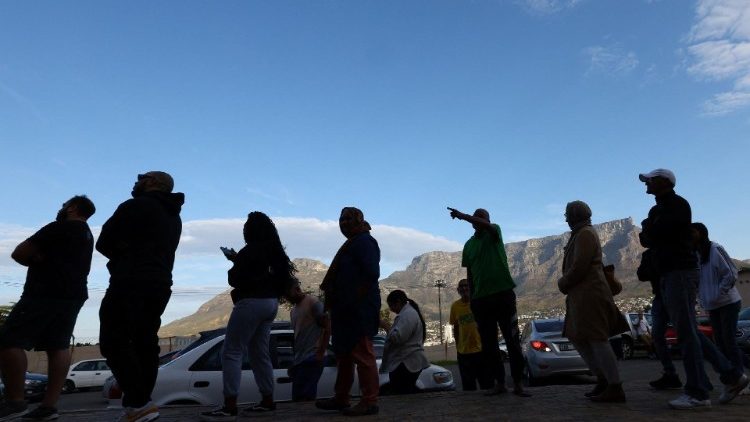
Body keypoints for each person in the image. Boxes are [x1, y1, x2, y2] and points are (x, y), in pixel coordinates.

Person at [97, 171, 184, 422]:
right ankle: (141, 407)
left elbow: (104, 242)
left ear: (153, 183)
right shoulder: (174, 216)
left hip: (130, 280)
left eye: (141, 177)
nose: (135, 181)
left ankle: (138, 402)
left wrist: (125, 254)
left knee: (114, 340)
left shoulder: (135, 206)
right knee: (145, 342)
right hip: (160, 283)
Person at [0, 196, 95, 421]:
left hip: (43, 292)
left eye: (64, 205)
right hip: (73, 295)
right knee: (57, 346)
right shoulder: (87, 234)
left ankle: (15, 402)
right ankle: (49, 407)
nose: (61, 208)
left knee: (8, 342)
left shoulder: (58, 228)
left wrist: (37, 259)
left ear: (72, 208)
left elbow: (19, 253)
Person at [200, 211, 297, 420]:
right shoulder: (275, 252)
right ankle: (267, 400)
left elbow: (235, 279)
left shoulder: (249, 250)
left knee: (232, 351)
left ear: (249, 230)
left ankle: (229, 406)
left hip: (250, 303)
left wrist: (236, 261)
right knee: (259, 352)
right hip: (270, 304)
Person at [639, 168, 715, 409]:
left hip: (679, 272)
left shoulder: (678, 205)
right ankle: (729, 376)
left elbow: (657, 233)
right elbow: (647, 238)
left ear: (665, 182)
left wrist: (650, 228)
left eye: (650, 180)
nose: (646, 184)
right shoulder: (656, 209)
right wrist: (650, 229)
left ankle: (698, 393)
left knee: (687, 333)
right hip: (668, 274)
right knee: (687, 332)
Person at [448, 207, 529, 397]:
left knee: (512, 341)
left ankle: (518, 383)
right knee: (489, 344)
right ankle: (500, 383)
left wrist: (463, 216)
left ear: (487, 220)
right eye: (477, 217)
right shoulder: (468, 246)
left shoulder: (495, 232)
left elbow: (487, 226)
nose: (479, 220)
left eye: (482, 217)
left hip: (503, 295)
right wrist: (473, 298)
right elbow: (469, 273)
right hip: (481, 301)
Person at [557, 201, 629, 403]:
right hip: (579, 296)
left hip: (590, 294)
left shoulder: (586, 234)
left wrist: (563, 282)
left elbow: (581, 266)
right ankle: (602, 378)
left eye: (567, 215)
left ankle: (614, 385)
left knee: (597, 339)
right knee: (577, 336)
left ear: (574, 215)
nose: (565, 219)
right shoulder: (580, 234)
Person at [316, 207, 381, 416]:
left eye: (347, 219)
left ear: (359, 219)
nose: (343, 223)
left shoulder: (364, 242)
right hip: (344, 309)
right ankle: (341, 398)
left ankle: (370, 401)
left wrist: (354, 300)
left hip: (358, 309)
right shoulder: (351, 244)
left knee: (362, 354)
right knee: (344, 355)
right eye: (341, 219)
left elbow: (371, 274)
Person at [693, 222, 749, 403]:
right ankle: (739, 376)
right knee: (721, 343)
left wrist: (719, 292)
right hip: (712, 306)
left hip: (728, 303)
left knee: (729, 342)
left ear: (701, 233)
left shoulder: (715, 249)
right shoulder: (696, 255)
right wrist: (704, 298)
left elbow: (731, 273)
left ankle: (740, 381)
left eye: (692, 232)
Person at [638, 218, 682, 390]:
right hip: (659, 297)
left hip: (672, 295)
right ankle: (670, 373)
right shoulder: (647, 255)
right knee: (657, 336)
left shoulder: (667, 251)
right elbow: (641, 274)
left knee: (688, 334)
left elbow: (645, 272)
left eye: (644, 231)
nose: (641, 236)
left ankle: (726, 370)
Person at [286, 280, 330, 402]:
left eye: (288, 294)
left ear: (297, 289)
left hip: (312, 357)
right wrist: (294, 362)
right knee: (297, 398)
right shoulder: (293, 311)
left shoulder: (313, 302)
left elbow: (327, 326)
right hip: (300, 360)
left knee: (306, 399)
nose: (287, 298)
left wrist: (320, 353)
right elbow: (297, 337)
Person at [379, 290, 430, 394]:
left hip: (405, 363)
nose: (391, 309)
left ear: (398, 302)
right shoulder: (407, 313)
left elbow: (397, 338)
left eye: (391, 305)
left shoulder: (408, 315)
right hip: (405, 362)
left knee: (402, 395)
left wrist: (385, 326)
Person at [449, 278, 491, 391]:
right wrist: (458, 347)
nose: (464, 288)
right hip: (464, 353)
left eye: (466, 285)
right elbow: (456, 327)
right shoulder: (455, 306)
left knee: (486, 384)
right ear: (458, 290)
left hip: (480, 351)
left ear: (471, 287)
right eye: (461, 286)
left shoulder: (478, 303)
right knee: (468, 386)